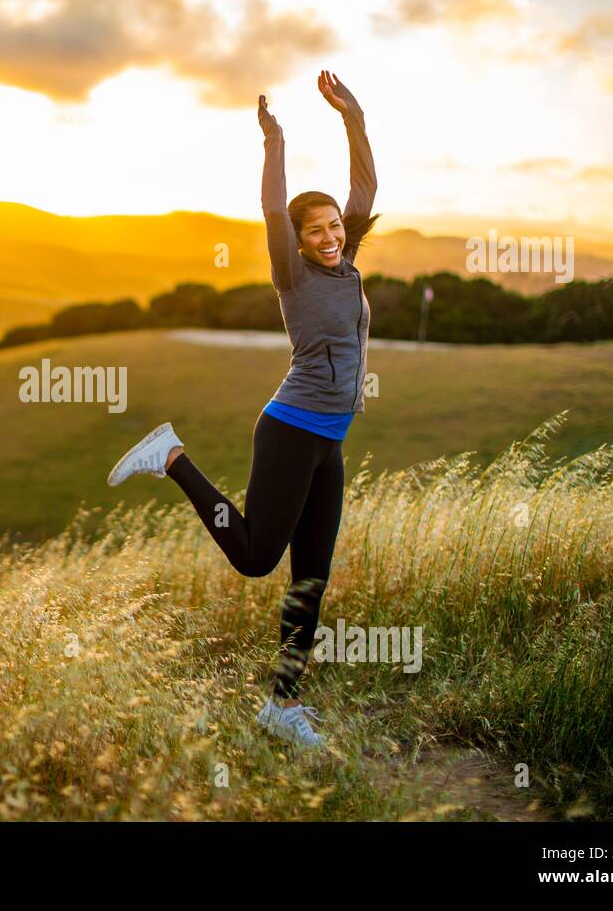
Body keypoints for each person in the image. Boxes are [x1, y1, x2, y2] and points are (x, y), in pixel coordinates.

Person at [106, 70, 379, 749]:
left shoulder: (348, 269)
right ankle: (170, 456)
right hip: (289, 430)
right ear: (299, 239)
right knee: (259, 558)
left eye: (334, 226)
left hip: (329, 440)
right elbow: (271, 208)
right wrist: (276, 141)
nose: (328, 236)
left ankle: (282, 708)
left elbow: (367, 187)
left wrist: (353, 115)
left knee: (310, 577)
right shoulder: (294, 276)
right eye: (314, 230)